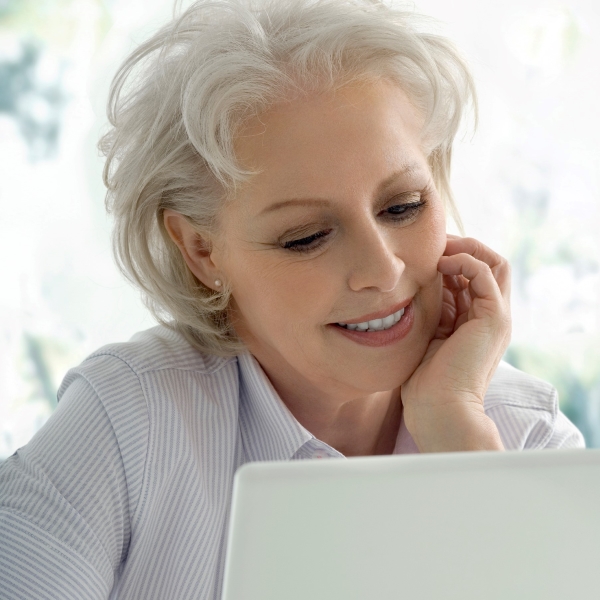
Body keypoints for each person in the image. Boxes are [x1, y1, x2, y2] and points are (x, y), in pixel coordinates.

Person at [0, 0, 585, 598]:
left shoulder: (520, 435)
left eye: (404, 205)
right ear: (202, 251)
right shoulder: (128, 422)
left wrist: (459, 439)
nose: (383, 270)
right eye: (305, 237)